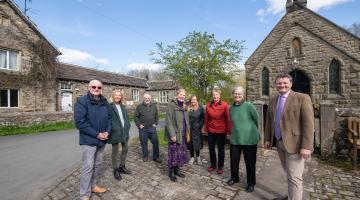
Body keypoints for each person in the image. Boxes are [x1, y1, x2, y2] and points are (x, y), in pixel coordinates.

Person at [265, 73, 314, 200]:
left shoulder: (302, 98)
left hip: (295, 145)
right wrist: (267, 139)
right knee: (290, 174)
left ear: (291, 84)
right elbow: (269, 121)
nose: (282, 85)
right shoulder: (273, 100)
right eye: (279, 83)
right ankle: (292, 196)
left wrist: (307, 146)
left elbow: (308, 124)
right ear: (276, 85)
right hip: (279, 143)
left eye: (285, 83)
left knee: (295, 177)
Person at [74, 80, 111, 200]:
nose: (96, 88)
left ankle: (93, 186)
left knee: (97, 165)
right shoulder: (82, 101)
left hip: (102, 140)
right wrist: (97, 134)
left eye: (99, 87)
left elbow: (110, 119)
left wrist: (107, 132)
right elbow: (80, 123)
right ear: (89, 87)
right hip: (89, 140)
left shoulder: (105, 102)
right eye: (94, 86)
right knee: (88, 167)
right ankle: (84, 194)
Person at [227, 86, 260, 193]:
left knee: (250, 163)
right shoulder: (231, 108)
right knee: (233, 160)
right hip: (235, 139)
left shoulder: (248, 106)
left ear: (243, 95)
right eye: (235, 94)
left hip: (249, 139)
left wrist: (253, 132)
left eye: (239, 94)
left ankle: (251, 183)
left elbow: (256, 120)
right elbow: (232, 122)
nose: (237, 96)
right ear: (233, 95)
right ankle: (234, 178)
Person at [165, 88, 190, 182]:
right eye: (181, 94)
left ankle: (177, 170)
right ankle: (171, 172)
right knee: (173, 153)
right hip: (175, 134)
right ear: (177, 95)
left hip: (183, 133)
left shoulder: (184, 106)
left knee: (180, 153)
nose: (182, 96)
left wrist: (187, 132)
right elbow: (168, 121)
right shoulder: (171, 105)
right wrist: (172, 134)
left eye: (184, 95)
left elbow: (185, 120)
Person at [204, 88, 231, 174]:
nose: (215, 96)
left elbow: (228, 119)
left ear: (219, 95)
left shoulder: (224, 105)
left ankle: (220, 166)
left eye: (217, 94)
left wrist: (228, 131)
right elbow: (206, 118)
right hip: (211, 130)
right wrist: (206, 129)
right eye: (214, 94)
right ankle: (213, 165)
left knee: (221, 149)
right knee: (211, 148)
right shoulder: (208, 105)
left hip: (221, 131)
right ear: (212, 96)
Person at [108, 89, 132, 181]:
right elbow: (108, 119)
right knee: (115, 151)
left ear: (121, 97)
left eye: (119, 95)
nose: (118, 97)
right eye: (116, 95)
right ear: (113, 96)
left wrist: (128, 126)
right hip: (115, 132)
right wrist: (113, 128)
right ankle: (115, 169)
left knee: (125, 148)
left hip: (124, 131)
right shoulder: (110, 106)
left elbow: (127, 118)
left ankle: (122, 166)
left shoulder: (123, 106)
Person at [134, 93, 161, 162]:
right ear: (143, 98)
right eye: (145, 98)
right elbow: (136, 117)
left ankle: (156, 157)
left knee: (155, 142)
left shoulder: (154, 106)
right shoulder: (139, 107)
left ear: (150, 98)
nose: (147, 99)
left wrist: (155, 123)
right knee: (144, 143)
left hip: (152, 127)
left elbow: (157, 116)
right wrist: (139, 125)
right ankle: (145, 156)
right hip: (143, 129)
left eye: (148, 98)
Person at [187, 95, 205, 165]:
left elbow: (203, 118)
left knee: (197, 143)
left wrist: (200, 125)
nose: (193, 101)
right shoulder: (188, 108)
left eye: (195, 99)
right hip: (189, 129)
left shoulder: (200, 108)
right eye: (192, 99)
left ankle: (198, 157)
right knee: (190, 143)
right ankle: (192, 157)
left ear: (196, 100)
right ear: (190, 100)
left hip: (197, 129)